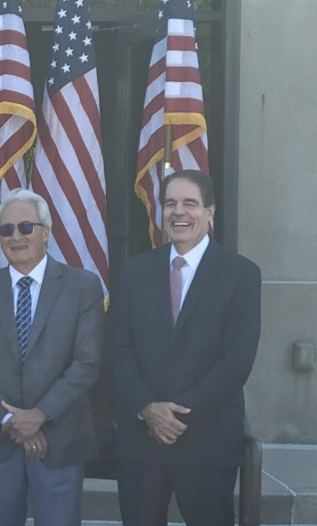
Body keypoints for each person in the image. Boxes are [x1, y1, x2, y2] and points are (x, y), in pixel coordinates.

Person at [113, 170, 261, 526]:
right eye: (170, 203)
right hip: (142, 445)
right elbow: (119, 349)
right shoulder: (135, 271)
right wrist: (148, 408)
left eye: (190, 203)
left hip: (207, 442)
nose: (178, 212)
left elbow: (237, 360)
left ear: (210, 211)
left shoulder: (241, 274)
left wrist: (177, 417)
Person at [0, 188, 104, 526]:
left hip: (61, 439)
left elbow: (86, 363)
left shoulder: (82, 286)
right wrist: (11, 421)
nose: (16, 236)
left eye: (26, 227)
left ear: (46, 232)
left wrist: (39, 415)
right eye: (7, 230)